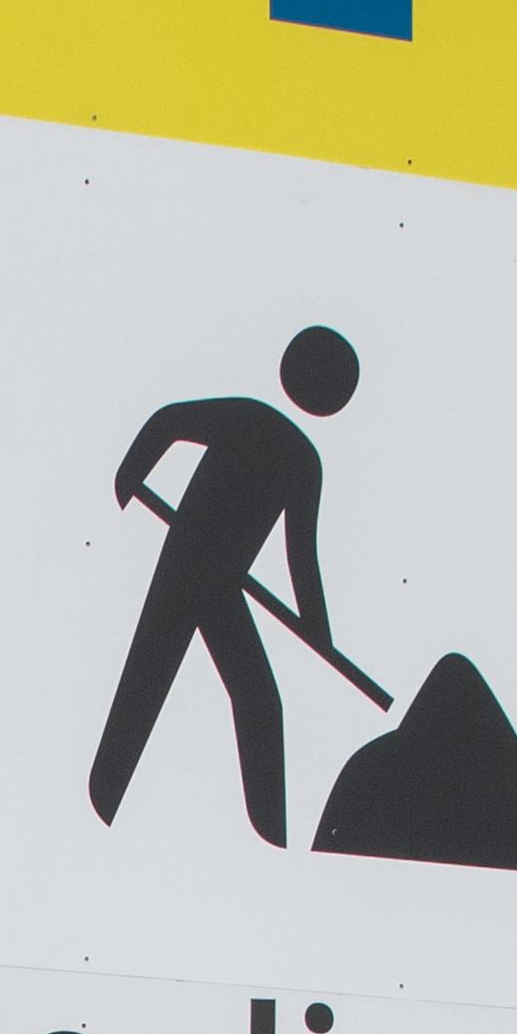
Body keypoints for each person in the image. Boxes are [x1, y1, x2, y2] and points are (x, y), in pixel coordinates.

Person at [90, 325, 365, 840]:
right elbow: (170, 422)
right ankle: (106, 797)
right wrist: (130, 475)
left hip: (217, 582)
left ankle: (270, 833)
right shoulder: (272, 437)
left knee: (251, 696)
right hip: (189, 564)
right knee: (155, 675)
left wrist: (317, 628)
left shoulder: (289, 451)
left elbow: (299, 551)